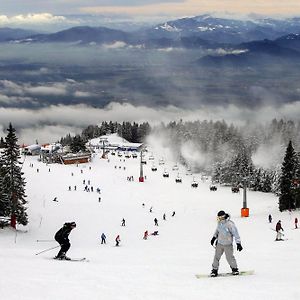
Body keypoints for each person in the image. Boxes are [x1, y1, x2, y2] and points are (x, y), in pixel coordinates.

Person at [210, 210, 242, 277]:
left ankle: (234, 269)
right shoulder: (219, 223)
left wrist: (238, 243)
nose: (218, 218)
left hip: (228, 244)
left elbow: (236, 234)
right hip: (219, 243)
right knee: (216, 257)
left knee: (229, 257)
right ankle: (214, 270)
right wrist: (214, 238)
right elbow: (217, 231)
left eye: (219, 217)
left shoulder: (230, 224)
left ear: (223, 217)